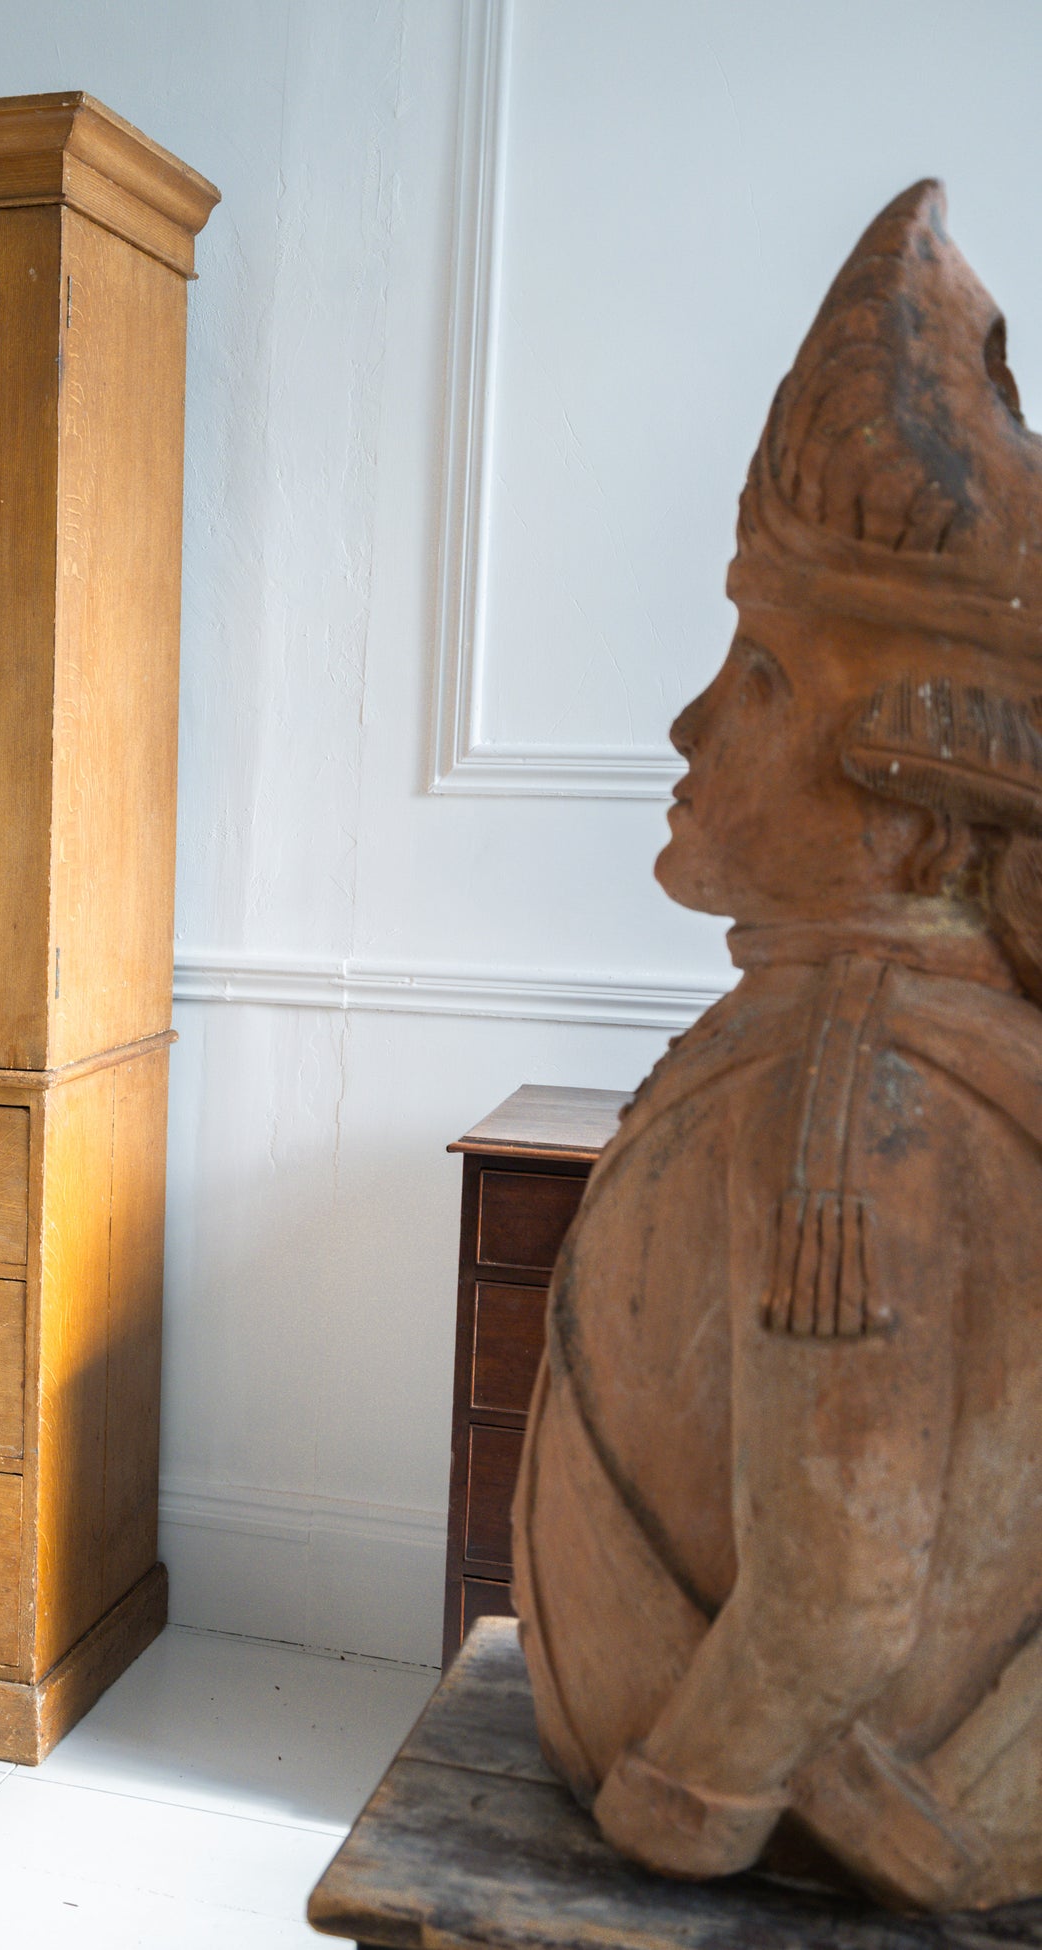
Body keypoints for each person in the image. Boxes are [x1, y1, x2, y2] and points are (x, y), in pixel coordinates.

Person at [513, 180, 1042, 1910]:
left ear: (906, 796)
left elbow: (837, 1591)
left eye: (754, 673)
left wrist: (675, 1810)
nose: (685, 719)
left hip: (794, 1842)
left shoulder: (857, 1102)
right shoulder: (881, 1049)